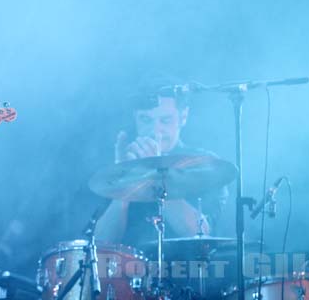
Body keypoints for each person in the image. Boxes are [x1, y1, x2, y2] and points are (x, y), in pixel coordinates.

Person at [96, 81, 229, 248]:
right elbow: (100, 245)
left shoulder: (203, 164)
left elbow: (199, 232)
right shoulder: (125, 161)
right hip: (130, 271)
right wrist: (125, 181)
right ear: (134, 118)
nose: (155, 130)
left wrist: (156, 171)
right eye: (146, 120)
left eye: (165, 120)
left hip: (186, 270)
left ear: (183, 117)